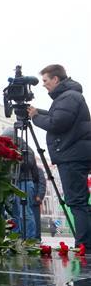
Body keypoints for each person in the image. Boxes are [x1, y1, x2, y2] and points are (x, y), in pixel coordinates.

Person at [28, 64, 91, 248]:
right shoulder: (70, 96)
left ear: (56, 79)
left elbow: (58, 123)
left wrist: (35, 117)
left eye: (46, 81)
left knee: (76, 202)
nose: (44, 85)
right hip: (76, 154)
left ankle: (84, 246)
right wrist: (38, 112)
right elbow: (60, 117)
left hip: (72, 156)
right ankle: (86, 244)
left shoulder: (68, 96)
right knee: (80, 202)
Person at [3, 127, 40, 240]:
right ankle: (16, 238)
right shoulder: (9, 147)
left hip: (24, 183)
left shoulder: (25, 148)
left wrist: (14, 157)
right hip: (13, 183)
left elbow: (29, 164)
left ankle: (29, 239)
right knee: (14, 213)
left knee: (25, 213)